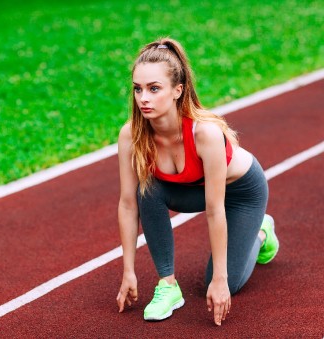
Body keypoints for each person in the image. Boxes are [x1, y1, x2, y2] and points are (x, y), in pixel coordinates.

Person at [115, 37, 280, 326]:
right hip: (193, 189)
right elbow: (128, 205)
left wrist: (220, 279)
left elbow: (216, 209)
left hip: (240, 193)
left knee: (221, 283)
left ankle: (260, 231)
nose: (144, 98)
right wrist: (128, 271)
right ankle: (167, 285)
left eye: (155, 89)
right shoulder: (131, 135)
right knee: (147, 189)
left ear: (178, 90)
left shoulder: (205, 134)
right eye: (138, 89)